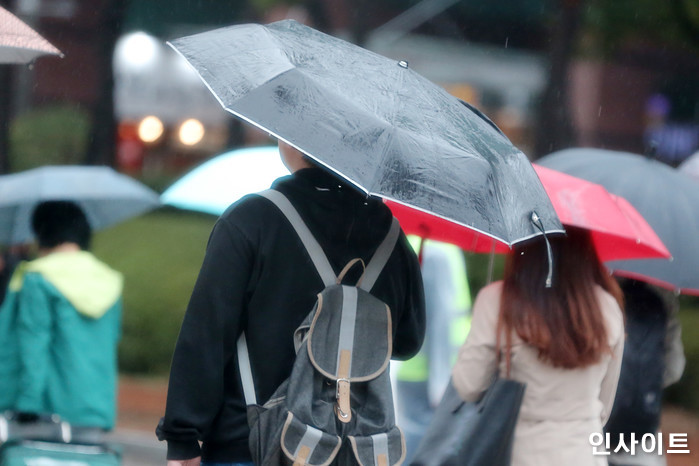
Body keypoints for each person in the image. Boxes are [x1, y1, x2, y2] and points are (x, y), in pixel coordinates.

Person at [156, 141, 426, 466]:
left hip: (249, 445)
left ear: (297, 139)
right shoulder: (391, 239)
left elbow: (206, 335)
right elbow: (407, 342)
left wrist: (184, 437)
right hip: (352, 449)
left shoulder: (253, 219)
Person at [451, 227, 625, 466]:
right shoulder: (607, 307)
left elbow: (469, 386)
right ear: (584, 246)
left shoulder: (497, 300)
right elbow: (604, 403)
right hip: (584, 453)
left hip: (518, 452)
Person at [0, 201, 123, 436]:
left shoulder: (37, 277)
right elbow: (109, 343)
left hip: (45, 412)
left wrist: (27, 404)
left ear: (43, 233)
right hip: (93, 408)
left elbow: (33, 344)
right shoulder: (109, 279)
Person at [394, 237, 471, 463]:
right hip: (431, 374)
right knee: (426, 447)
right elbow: (440, 319)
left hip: (414, 368)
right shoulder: (439, 250)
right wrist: (440, 382)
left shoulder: (411, 241)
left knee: (416, 441)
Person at [606, 278, 686, 466]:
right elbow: (675, 368)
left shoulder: (599, 292)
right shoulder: (662, 297)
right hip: (644, 442)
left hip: (595, 440)